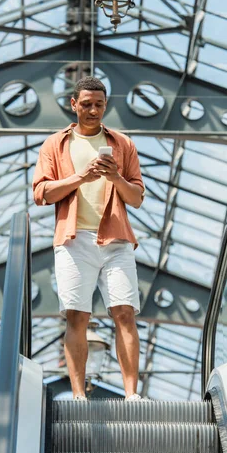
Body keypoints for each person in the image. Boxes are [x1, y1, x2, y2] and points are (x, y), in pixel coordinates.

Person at [33, 76, 145, 401]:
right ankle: (79, 394)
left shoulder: (122, 144)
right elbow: (42, 193)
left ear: (105, 105)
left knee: (124, 311)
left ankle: (131, 394)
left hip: (116, 239)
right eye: (86, 104)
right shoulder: (56, 144)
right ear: (73, 105)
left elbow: (136, 197)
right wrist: (80, 177)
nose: (93, 110)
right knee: (76, 314)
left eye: (98, 104)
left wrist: (115, 177)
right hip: (72, 239)